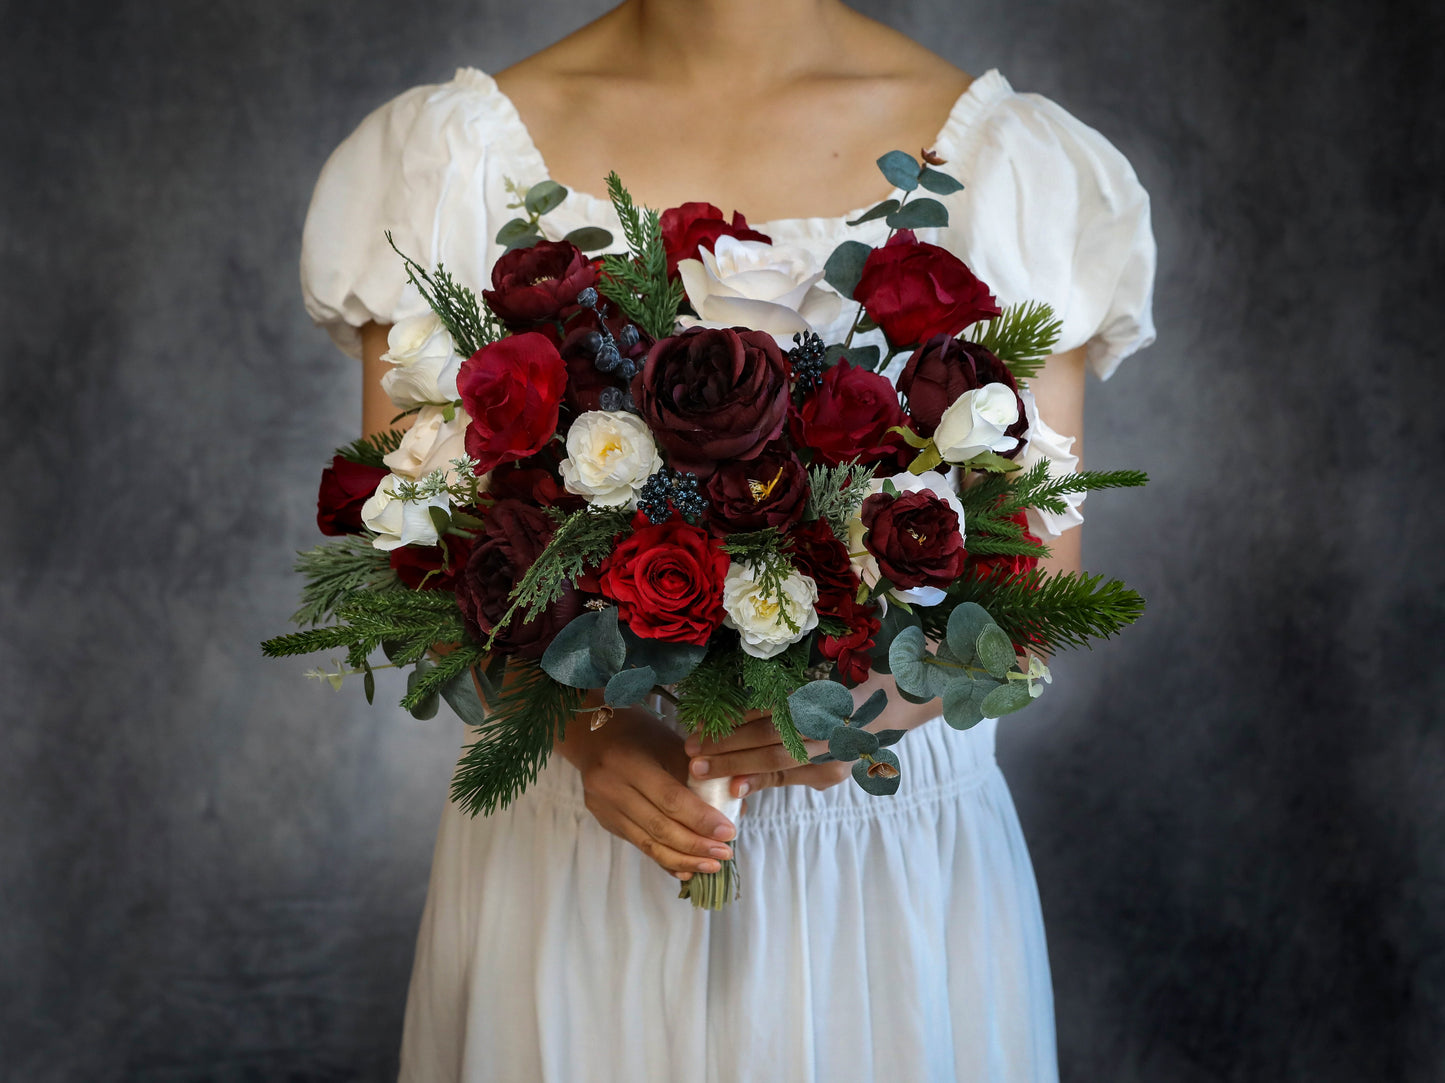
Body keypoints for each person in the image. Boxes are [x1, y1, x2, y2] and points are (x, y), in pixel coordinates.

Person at [298, 1, 1156, 1078]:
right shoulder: (447, 159)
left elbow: (1033, 591)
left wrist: (865, 712)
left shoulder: (1012, 167)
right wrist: (581, 735)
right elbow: (412, 557)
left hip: (884, 877)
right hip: (578, 858)